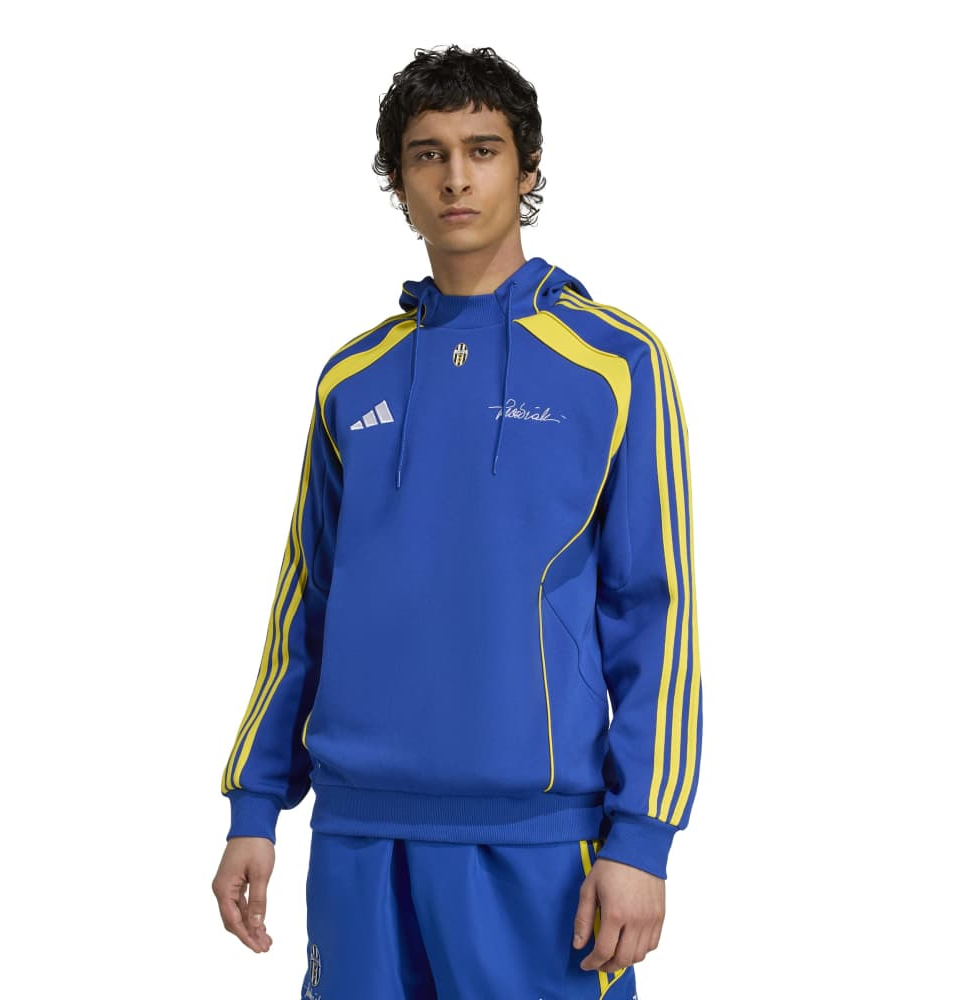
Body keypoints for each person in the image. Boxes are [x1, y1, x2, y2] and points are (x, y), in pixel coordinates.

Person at [212, 44, 703, 1000]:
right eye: (427, 154)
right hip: (358, 836)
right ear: (398, 181)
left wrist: (643, 838)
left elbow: (656, 610)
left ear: (527, 170)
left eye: (483, 149)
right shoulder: (352, 376)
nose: (456, 177)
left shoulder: (616, 363)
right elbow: (305, 604)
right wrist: (254, 805)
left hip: (539, 845)